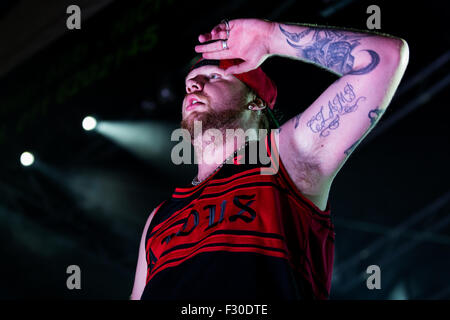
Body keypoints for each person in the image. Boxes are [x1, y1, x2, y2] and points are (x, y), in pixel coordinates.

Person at [130, 18, 409, 300]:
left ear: (256, 100)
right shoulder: (160, 216)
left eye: (214, 76)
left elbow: (386, 57)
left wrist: (271, 37)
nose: (194, 85)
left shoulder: (283, 158)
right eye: (190, 82)